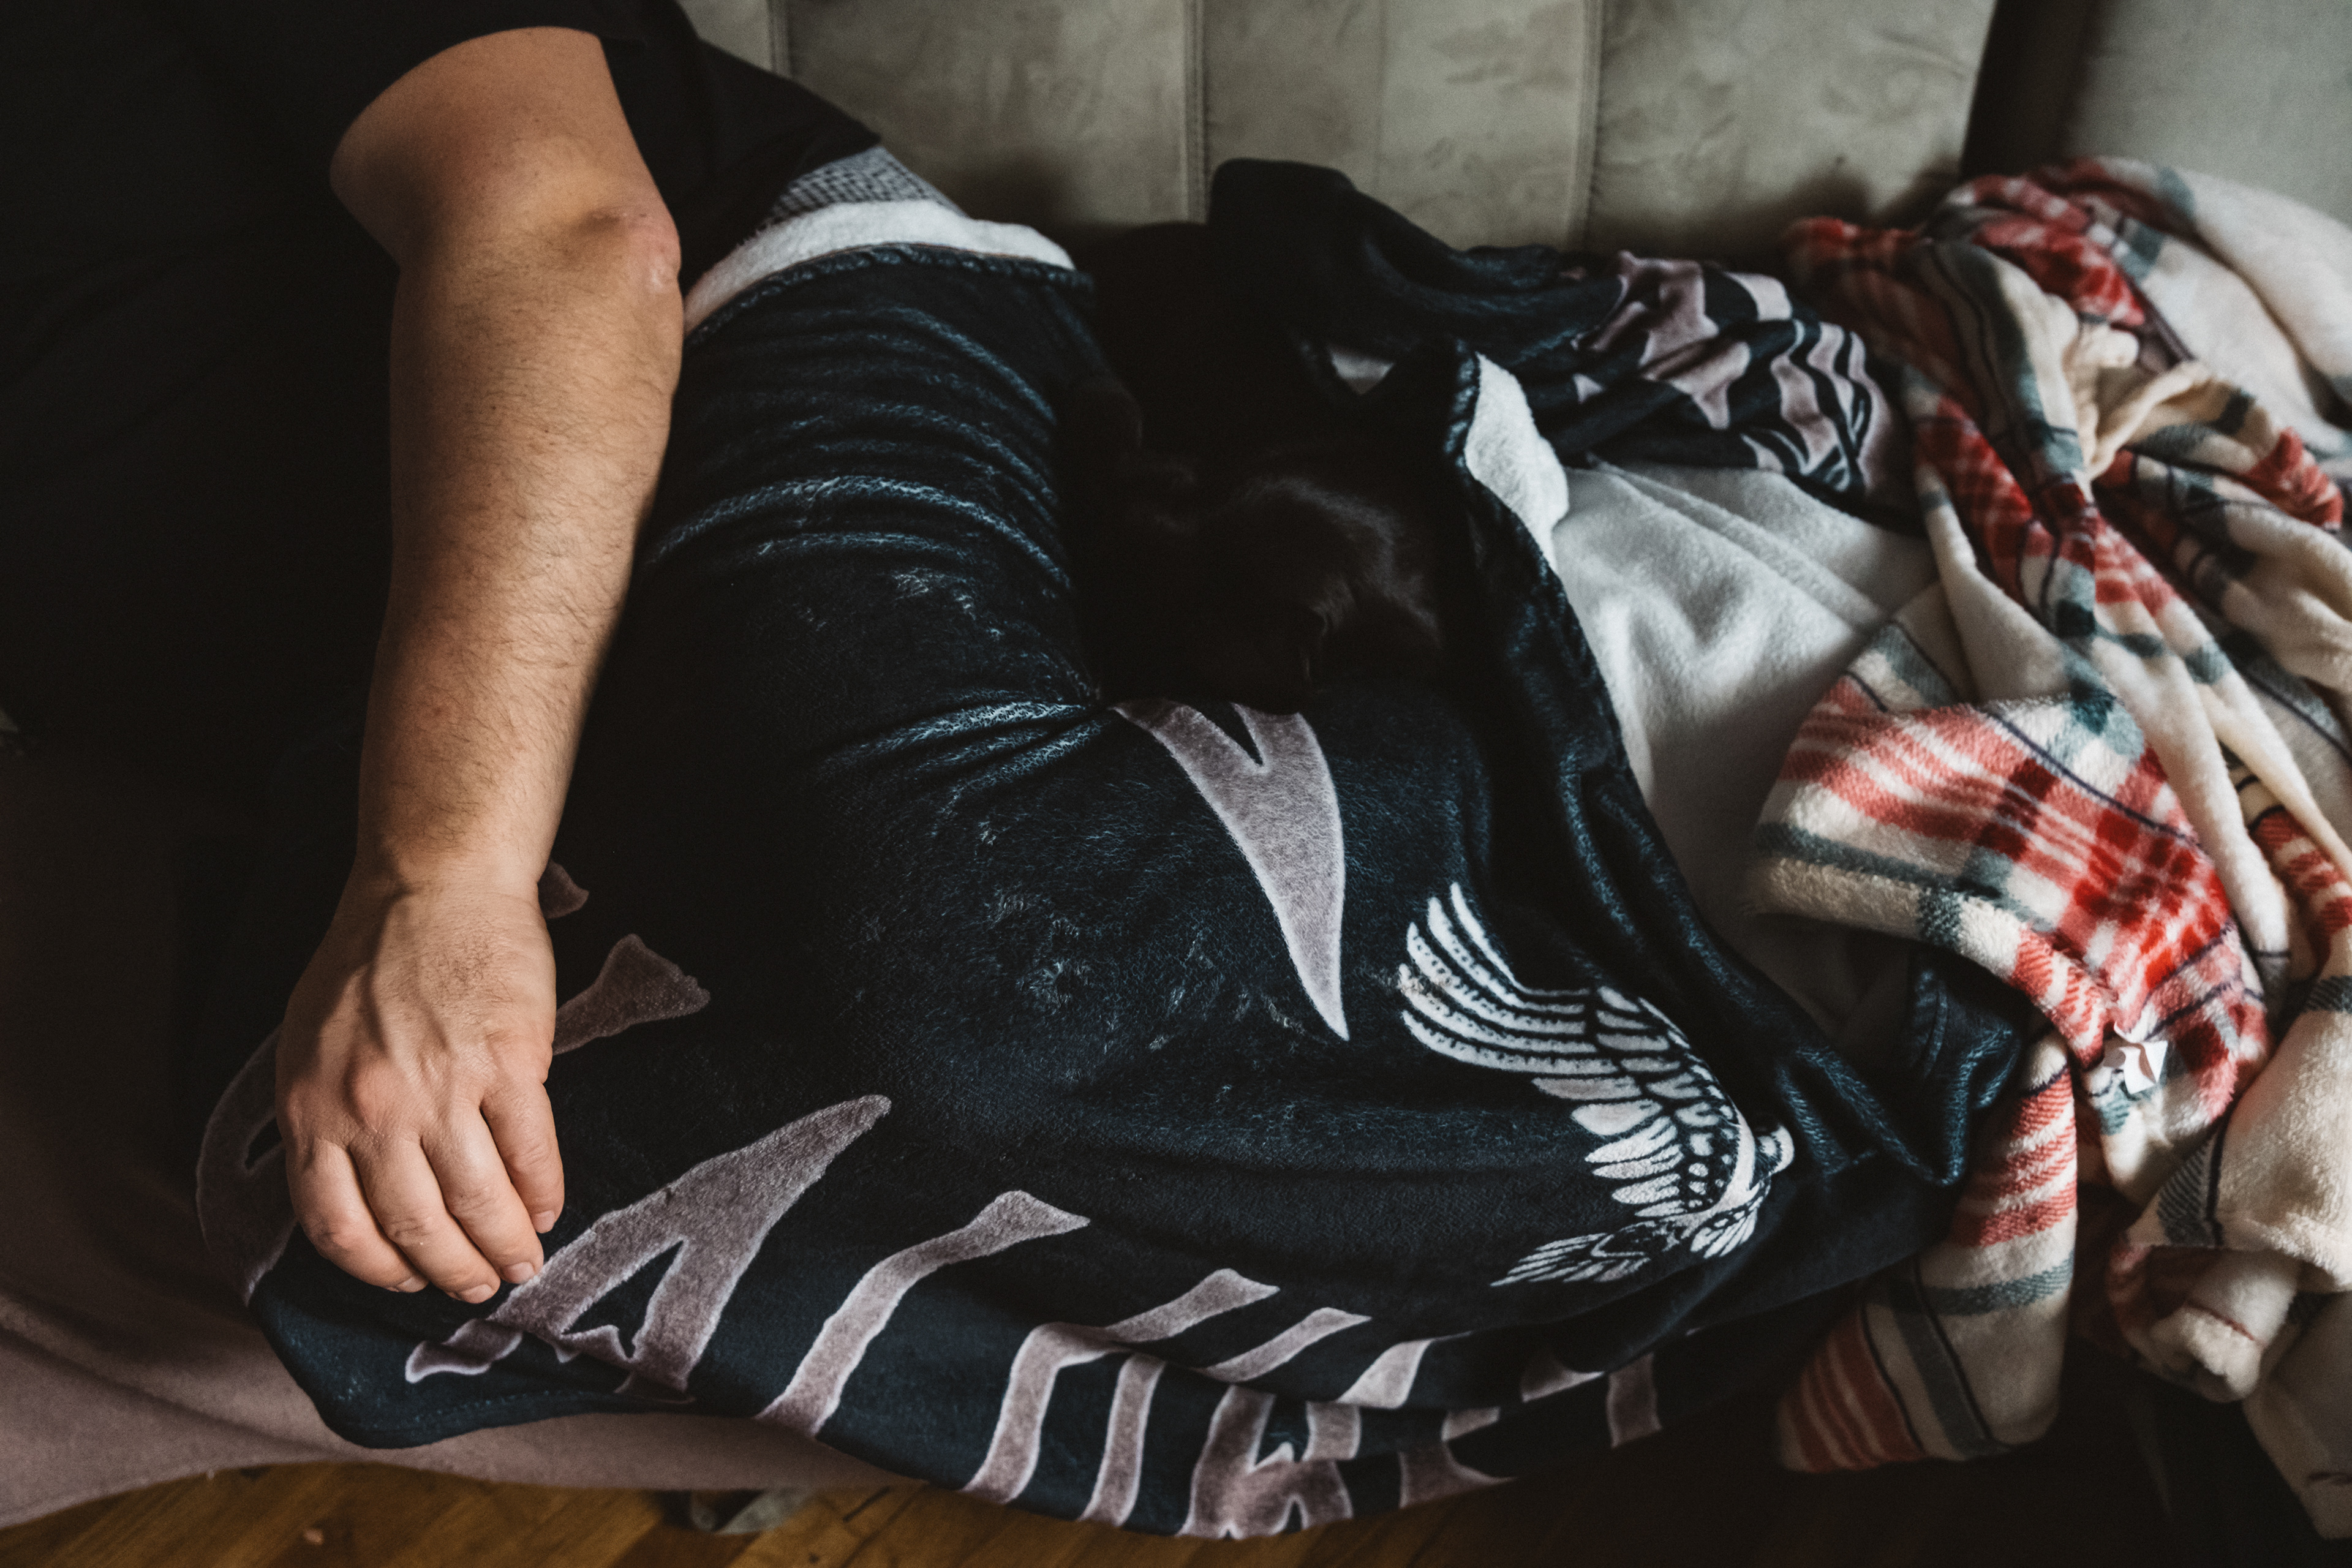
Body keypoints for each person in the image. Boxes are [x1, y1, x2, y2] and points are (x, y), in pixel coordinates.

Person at [2, 2, 878, 1308]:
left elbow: (566, 234)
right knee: (333, 1183)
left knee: (925, 991)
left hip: (762, 333)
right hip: (319, 705)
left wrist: (441, 880)